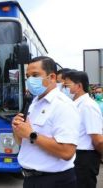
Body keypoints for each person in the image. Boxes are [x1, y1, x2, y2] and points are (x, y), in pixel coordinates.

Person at [11, 56, 80, 188]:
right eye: (27, 76)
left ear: (52, 77)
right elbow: (21, 142)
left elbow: (67, 152)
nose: (30, 80)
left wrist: (32, 134)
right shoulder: (34, 103)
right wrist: (17, 129)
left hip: (54, 181)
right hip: (30, 179)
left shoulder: (63, 105)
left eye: (35, 75)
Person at [62, 71, 103, 188]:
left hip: (84, 158)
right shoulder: (75, 104)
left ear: (79, 86)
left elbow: (98, 139)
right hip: (75, 156)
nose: (64, 89)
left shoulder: (88, 106)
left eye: (66, 86)